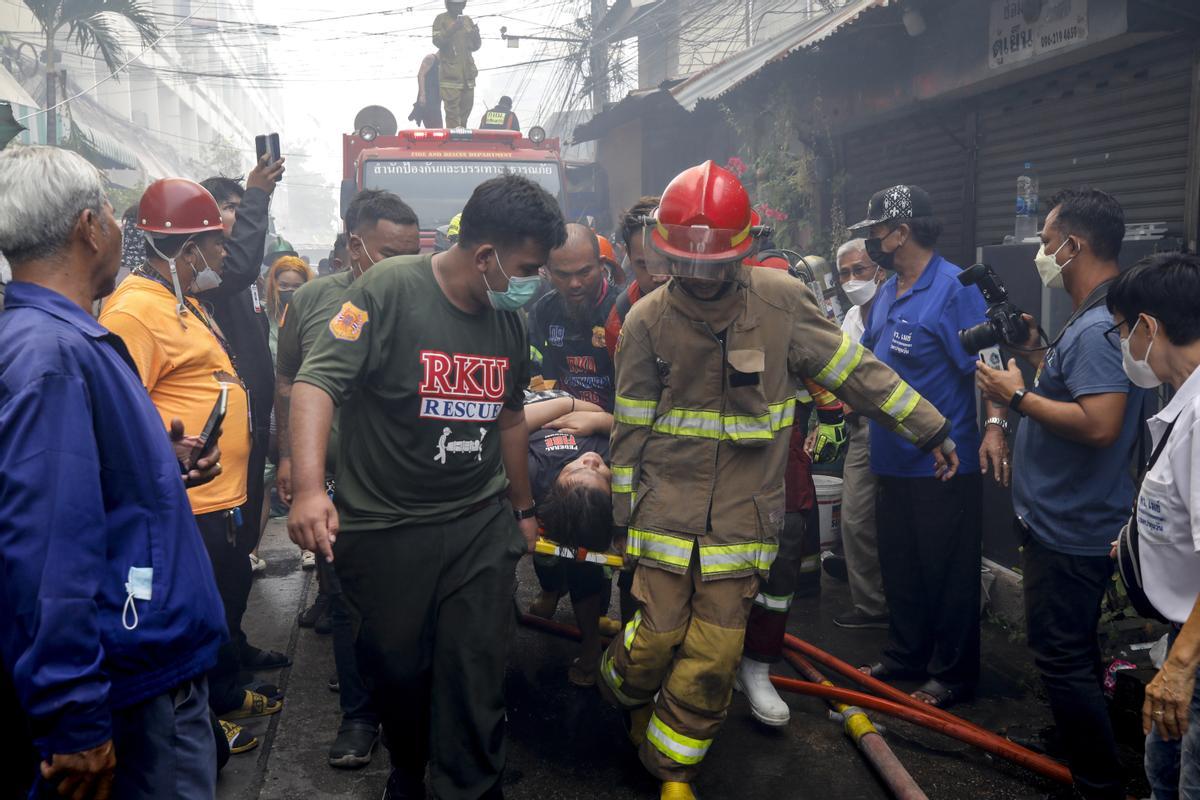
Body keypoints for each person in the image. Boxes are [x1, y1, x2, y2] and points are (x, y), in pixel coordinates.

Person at [598, 161, 957, 800]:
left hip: (743, 518)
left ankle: (669, 762)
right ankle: (624, 687)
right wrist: (623, 522)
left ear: (745, 251)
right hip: (662, 515)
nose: (699, 277)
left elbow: (857, 373)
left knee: (711, 658)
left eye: (713, 264)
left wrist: (931, 428)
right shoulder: (648, 319)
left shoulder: (783, 303)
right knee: (651, 644)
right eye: (685, 262)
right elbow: (628, 428)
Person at [287, 174, 565, 799]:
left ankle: (472, 785)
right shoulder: (387, 289)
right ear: (486, 257)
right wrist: (309, 487)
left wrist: (522, 508)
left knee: (474, 671)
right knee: (397, 671)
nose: (535, 281)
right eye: (528, 267)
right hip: (387, 529)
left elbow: (512, 418)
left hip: (476, 522)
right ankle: (408, 768)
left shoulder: (507, 321)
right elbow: (315, 383)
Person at [0, 146, 227, 800]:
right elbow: (48, 544)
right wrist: (74, 716)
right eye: (109, 212)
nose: (119, 229)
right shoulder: (54, 356)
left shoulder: (52, 341)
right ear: (90, 227)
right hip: (132, 679)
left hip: (132, 663)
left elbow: (77, 492)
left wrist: (156, 464)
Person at [98, 178, 280, 757]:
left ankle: (218, 699)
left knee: (219, 609)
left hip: (217, 498)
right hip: (185, 504)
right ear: (186, 250)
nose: (224, 254)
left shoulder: (182, 301)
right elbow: (121, 411)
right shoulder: (135, 312)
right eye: (216, 243)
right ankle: (199, 721)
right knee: (188, 622)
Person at [975, 189, 1146, 800]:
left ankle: (1098, 781)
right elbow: (1076, 389)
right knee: (1069, 651)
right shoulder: (1093, 316)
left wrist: (1015, 395)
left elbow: (1100, 424)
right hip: (1057, 517)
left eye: (1047, 243)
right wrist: (1035, 356)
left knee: (1063, 656)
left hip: (1073, 527)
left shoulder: (1101, 326)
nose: (1042, 253)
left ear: (1075, 244)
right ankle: (1080, 745)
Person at [275, 189, 420, 770]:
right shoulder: (311, 301)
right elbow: (288, 381)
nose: (401, 265)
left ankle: (413, 714)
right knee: (345, 599)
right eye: (388, 252)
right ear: (355, 245)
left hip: (404, 484)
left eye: (412, 252)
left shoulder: (422, 298)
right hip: (337, 483)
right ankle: (360, 717)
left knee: (410, 604)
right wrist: (292, 461)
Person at [849, 184, 1009, 709]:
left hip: (945, 460)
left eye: (877, 232)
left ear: (902, 232)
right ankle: (906, 655)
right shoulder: (890, 288)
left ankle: (955, 673)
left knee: (948, 571)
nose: (872, 241)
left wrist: (993, 427)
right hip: (890, 458)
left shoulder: (953, 286)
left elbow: (987, 366)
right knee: (901, 564)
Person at [1101, 253, 1200, 800]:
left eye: (1122, 329)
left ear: (1149, 327)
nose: (1123, 344)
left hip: (1194, 653)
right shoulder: (1183, 402)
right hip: (1182, 638)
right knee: (1164, 773)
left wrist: (1181, 666)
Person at [198, 166, 292, 676]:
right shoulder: (212, 277)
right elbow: (237, 264)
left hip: (251, 434)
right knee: (224, 557)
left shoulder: (242, 277)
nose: (240, 215)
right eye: (229, 207)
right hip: (217, 448)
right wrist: (258, 192)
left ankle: (235, 644)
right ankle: (221, 674)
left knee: (240, 555)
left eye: (241, 206)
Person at [523, 393, 617, 686]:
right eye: (600, 473)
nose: (589, 460)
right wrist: (602, 420)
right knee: (553, 555)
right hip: (571, 404)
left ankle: (589, 646)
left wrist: (567, 406)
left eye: (577, 470)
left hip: (540, 407)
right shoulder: (616, 461)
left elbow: (512, 425)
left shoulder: (534, 472)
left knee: (581, 562)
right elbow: (643, 436)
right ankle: (551, 592)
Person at [821, 238, 890, 630]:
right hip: (862, 428)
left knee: (891, 520)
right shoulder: (850, 320)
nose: (851, 279)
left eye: (859, 270)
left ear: (879, 270)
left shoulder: (894, 309)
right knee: (856, 518)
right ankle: (871, 604)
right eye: (844, 272)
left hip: (896, 427)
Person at [603, 196, 668, 358]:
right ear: (628, 255)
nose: (659, 276)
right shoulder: (619, 321)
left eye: (669, 262)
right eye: (645, 265)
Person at [433, 0, 480, 128]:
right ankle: (453, 139)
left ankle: (462, 136)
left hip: (468, 77)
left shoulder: (467, 20)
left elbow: (475, 46)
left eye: (460, 4)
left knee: (466, 110)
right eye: (455, 4)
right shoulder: (441, 19)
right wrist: (452, 29)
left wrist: (476, 35)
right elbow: (437, 41)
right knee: (452, 113)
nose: (458, 6)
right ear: (448, 4)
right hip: (450, 77)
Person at [265, 255, 312, 361]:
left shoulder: (312, 320)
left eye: (297, 287)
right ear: (274, 286)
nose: (290, 290)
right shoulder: (262, 318)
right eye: (283, 285)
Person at [409, 52, 443, 129]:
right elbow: (420, 75)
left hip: (436, 97)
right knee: (433, 124)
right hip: (427, 96)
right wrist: (422, 95)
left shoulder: (442, 63)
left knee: (437, 124)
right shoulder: (431, 58)